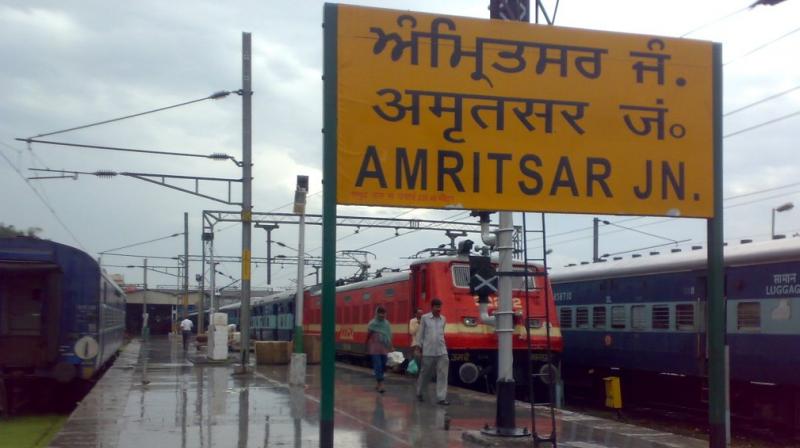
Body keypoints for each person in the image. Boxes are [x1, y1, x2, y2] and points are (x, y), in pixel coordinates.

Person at [415, 298, 450, 405]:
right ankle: (419, 392)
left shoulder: (443, 319)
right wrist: (418, 347)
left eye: (440, 307)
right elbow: (420, 334)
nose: (439, 309)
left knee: (443, 374)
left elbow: (441, 333)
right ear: (432, 307)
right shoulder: (425, 318)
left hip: (442, 351)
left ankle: (441, 398)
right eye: (437, 307)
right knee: (425, 374)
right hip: (428, 351)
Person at [366, 306, 393, 393]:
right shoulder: (372, 323)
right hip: (374, 347)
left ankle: (378, 383)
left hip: (384, 347)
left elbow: (389, 336)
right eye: (380, 314)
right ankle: (381, 384)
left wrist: (391, 346)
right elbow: (369, 334)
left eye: (383, 314)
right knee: (378, 365)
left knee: (383, 365)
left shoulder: (387, 324)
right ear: (377, 314)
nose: (382, 316)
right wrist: (366, 344)